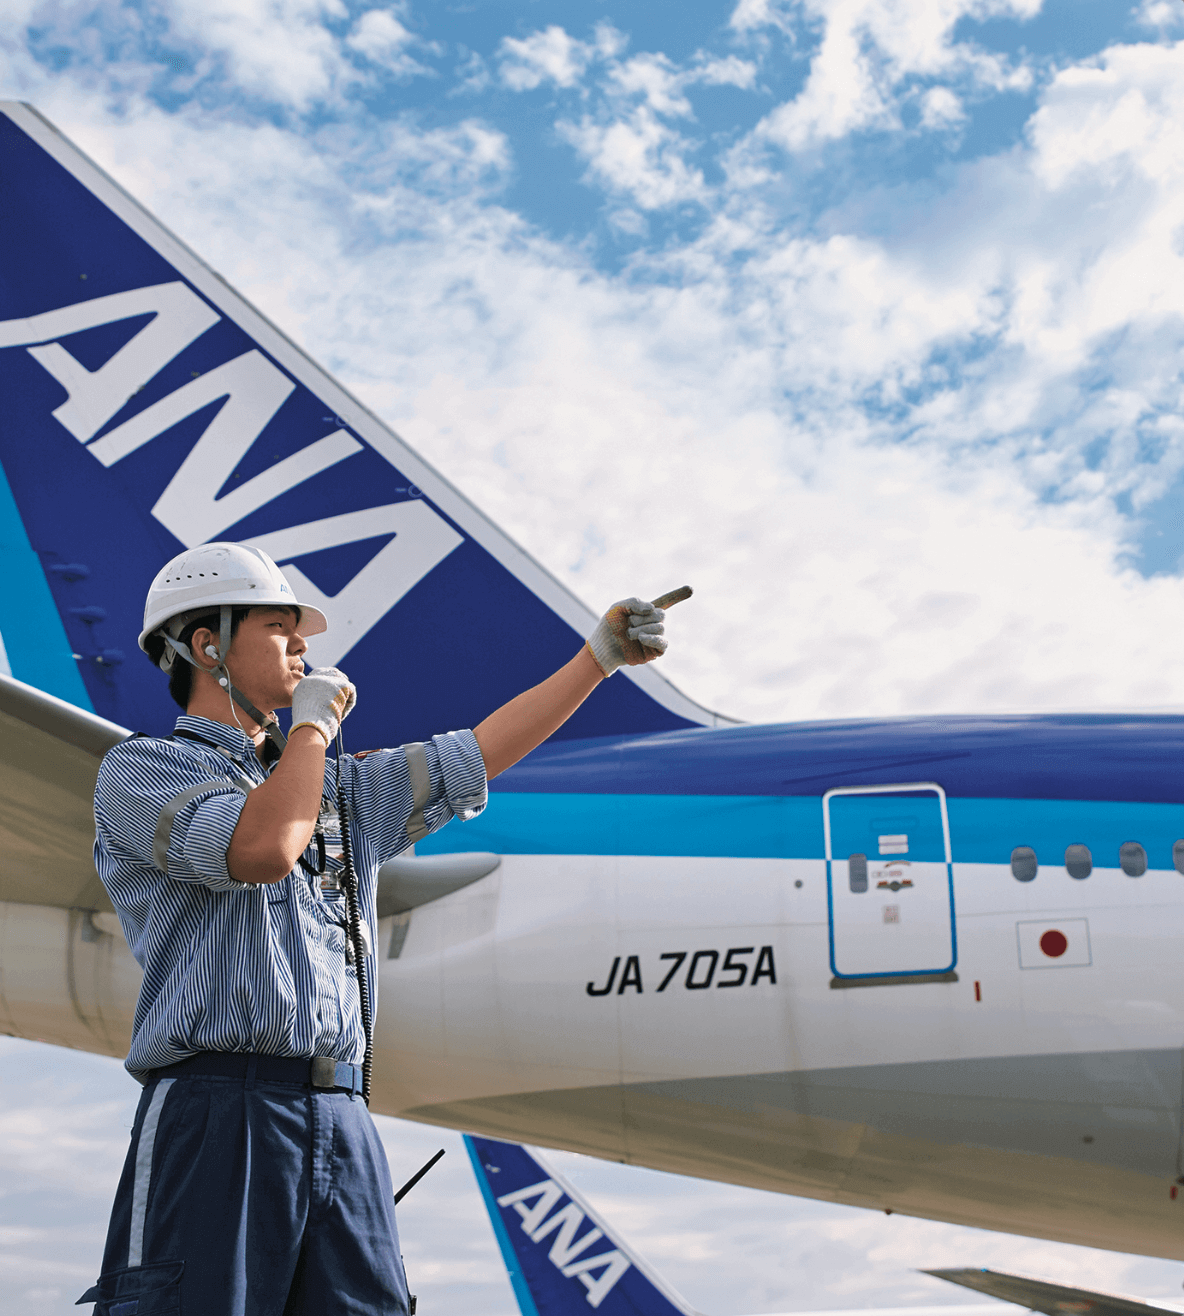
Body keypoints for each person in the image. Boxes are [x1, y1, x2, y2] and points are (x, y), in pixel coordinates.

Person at [79, 541, 681, 1316]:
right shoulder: (145, 769)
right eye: (276, 627)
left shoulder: (339, 787)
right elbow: (260, 848)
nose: (302, 646)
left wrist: (596, 660)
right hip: (217, 1108)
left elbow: (478, 753)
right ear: (207, 645)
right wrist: (309, 732)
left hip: (342, 1112)